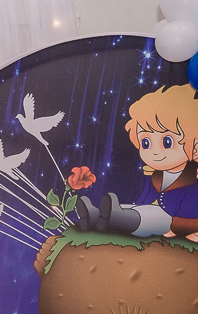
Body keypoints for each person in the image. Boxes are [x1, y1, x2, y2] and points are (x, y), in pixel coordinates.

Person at [76, 84, 198, 241]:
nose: (155, 152)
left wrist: (178, 228)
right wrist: (137, 207)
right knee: (130, 209)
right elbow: (144, 198)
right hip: (148, 212)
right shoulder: (155, 175)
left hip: (171, 221)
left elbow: (193, 213)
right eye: (146, 143)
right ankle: (95, 215)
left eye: (167, 142)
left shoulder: (192, 181)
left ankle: (116, 218)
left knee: (147, 216)